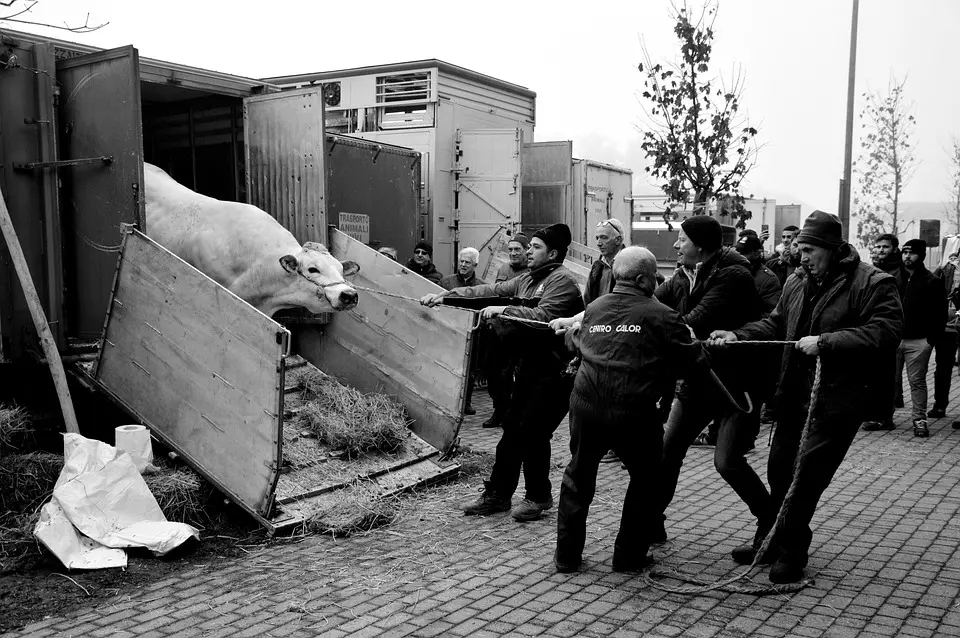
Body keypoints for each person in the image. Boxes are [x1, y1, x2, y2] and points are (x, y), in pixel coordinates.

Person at [709, 210, 902, 584]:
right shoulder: (797, 281)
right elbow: (776, 322)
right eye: (799, 248)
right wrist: (739, 335)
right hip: (793, 397)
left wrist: (827, 343)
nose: (801, 256)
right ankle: (771, 540)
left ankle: (793, 552)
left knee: (807, 479)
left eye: (809, 249)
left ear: (831, 248)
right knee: (779, 471)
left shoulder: (873, 282)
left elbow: (886, 332)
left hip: (836, 402)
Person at [551, 247, 711, 574]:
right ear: (642, 279)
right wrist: (694, 342)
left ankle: (566, 557)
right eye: (654, 276)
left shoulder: (594, 307)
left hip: (586, 406)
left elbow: (581, 343)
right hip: (634, 412)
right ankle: (628, 557)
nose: (657, 281)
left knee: (578, 477)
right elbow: (695, 364)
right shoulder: (664, 316)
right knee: (646, 480)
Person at [420, 223, 584, 522]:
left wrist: (504, 310)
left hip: (556, 372)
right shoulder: (525, 280)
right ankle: (499, 495)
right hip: (529, 368)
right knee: (512, 431)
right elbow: (488, 291)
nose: (528, 251)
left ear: (554, 253)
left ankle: (537, 497)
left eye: (535, 247)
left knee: (533, 434)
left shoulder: (562, 283)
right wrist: (446, 297)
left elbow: (545, 319)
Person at [652, 215, 766, 546]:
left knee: (727, 462)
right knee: (667, 452)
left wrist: (651, 331)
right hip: (699, 380)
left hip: (735, 386)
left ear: (699, 246)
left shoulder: (732, 276)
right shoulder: (683, 275)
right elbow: (649, 304)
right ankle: (652, 521)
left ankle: (770, 523)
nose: (675, 245)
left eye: (682, 240)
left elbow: (693, 323)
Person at [888, 239, 944, 438]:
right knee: (889, 380)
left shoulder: (932, 282)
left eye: (911, 253)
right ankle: (885, 417)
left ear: (921, 255)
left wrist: (931, 340)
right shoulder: (894, 279)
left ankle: (919, 420)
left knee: (917, 381)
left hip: (919, 341)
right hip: (894, 339)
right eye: (904, 252)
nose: (907, 256)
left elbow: (940, 314)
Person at [482, 234, 531, 429]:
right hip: (499, 328)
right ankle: (499, 409)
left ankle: (514, 411)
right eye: (510, 250)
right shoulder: (504, 269)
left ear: (526, 250)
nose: (512, 253)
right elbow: (496, 293)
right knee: (494, 373)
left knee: (515, 373)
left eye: (517, 249)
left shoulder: (531, 272)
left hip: (519, 331)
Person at [860, 233, 905, 431]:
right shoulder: (871, 270)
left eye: (885, 247)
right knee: (871, 374)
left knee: (887, 375)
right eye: (878, 247)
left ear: (895, 249)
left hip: (890, 328)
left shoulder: (900, 272)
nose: (880, 250)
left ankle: (884, 416)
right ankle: (872, 412)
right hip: (871, 326)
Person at [440, 247, 481, 415]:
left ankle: (466, 403)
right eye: (461, 261)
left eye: (467, 262)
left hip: (472, 333)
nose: (463, 265)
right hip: (449, 330)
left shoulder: (481, 287)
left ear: (475, 264)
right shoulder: (446, 282)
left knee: (470, 370)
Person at [931, 253, 960, 419]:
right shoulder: (945, 269)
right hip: (947, 327)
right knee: (943, 368)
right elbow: (932, 288)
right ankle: (940, 405)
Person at [736, 234, 782, 316]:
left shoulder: (769, 280)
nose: (738, 256)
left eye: (743, 253)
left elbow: (771, 315)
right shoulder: (729, 271)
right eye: (737, 251)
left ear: (757, 253)